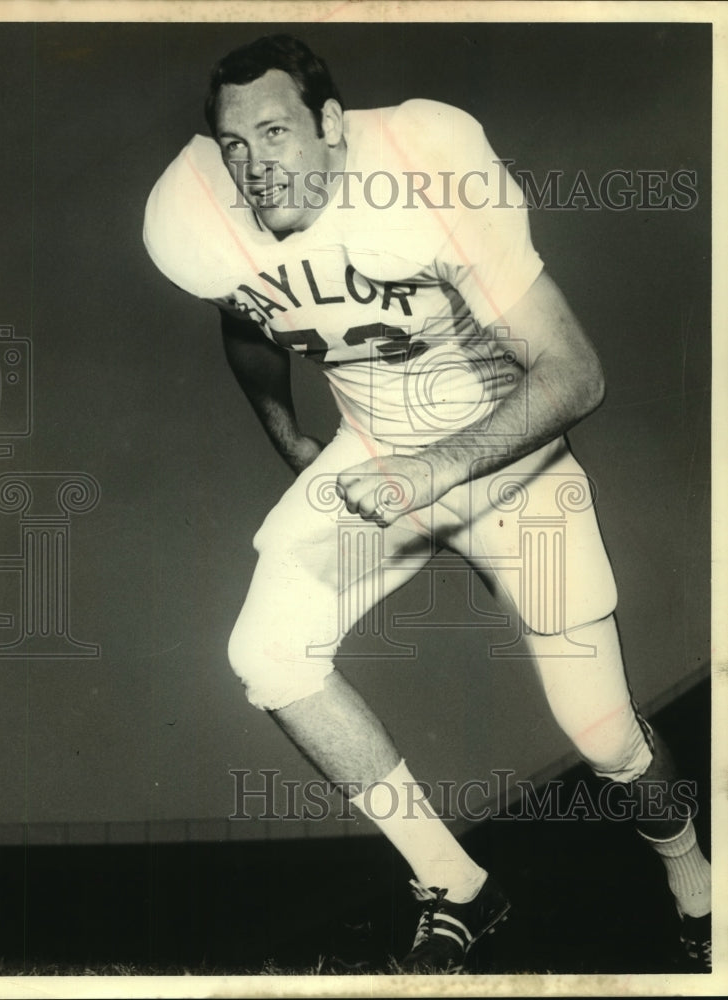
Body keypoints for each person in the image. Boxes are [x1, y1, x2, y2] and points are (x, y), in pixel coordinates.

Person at [143, 34, 711, 973]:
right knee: (266, 654)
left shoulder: (422, 169)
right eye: (235, 144)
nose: (254, 163)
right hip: (375, 460)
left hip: (506, 457)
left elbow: (575, 372)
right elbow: (247, 323)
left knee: (602, 733)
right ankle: (456, 883)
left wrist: (432, 471)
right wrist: (292, 440)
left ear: (332, 126)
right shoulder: (208, 219)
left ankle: (692, 872)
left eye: (277, 131)